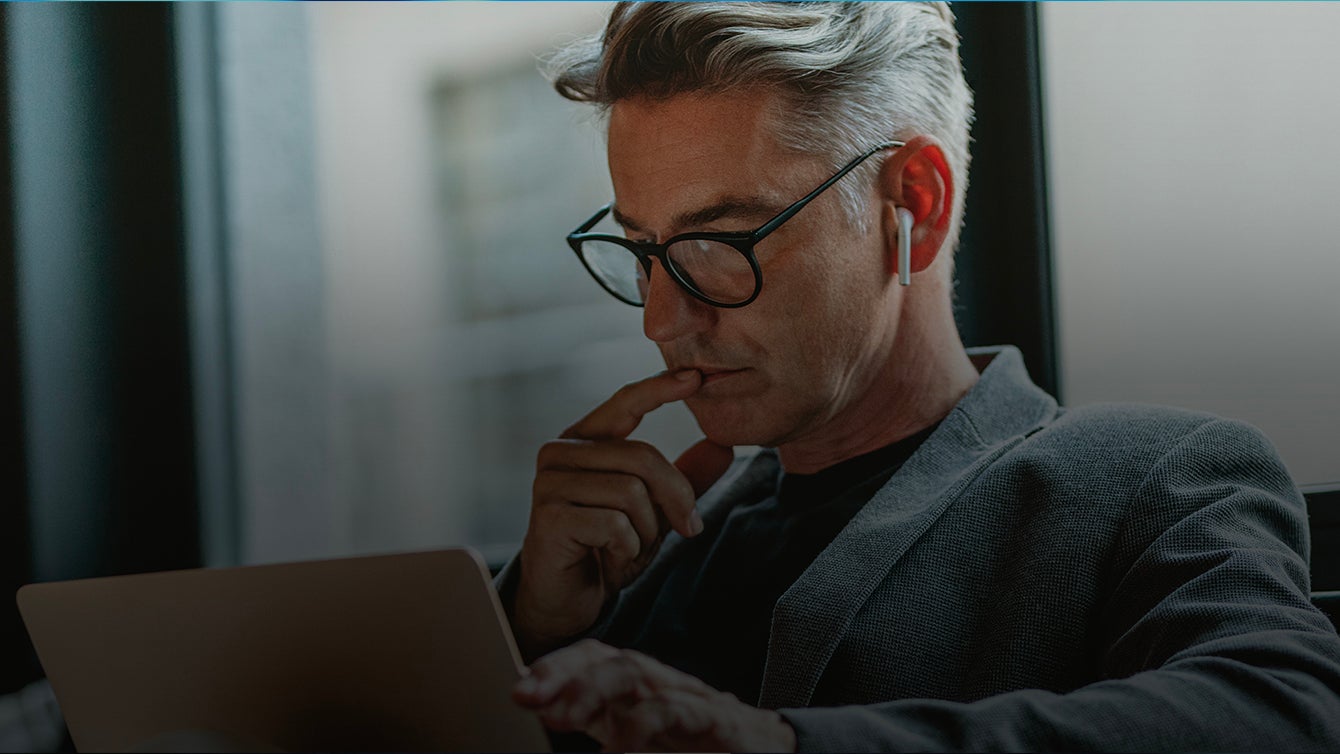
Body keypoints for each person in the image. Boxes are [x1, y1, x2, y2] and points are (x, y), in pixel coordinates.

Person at [494, 3, 1340, 751]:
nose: (662, 322)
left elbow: (1279, 715)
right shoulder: (637, 563)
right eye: (644, 253)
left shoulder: (1148, 483)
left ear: (916, 205)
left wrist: (770, 743)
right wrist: (527, 629)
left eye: (722, 244)